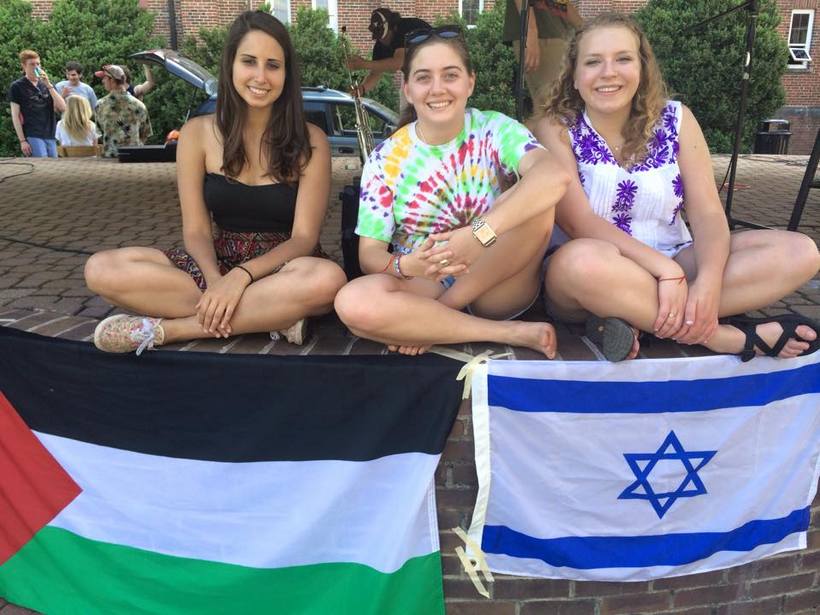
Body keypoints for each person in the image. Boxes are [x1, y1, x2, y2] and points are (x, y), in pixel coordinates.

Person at [532, 13, 820, 362]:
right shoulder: (554, 128)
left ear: (642, 68)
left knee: (801, 252)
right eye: (593, 62)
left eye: (623, 58)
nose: (608, 72)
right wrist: (666, 273)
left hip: (677, 259)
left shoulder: (677, 119)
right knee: (579, 263)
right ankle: (719, 336)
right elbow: (578, 223)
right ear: (574, 77)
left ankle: (632, 316)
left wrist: (708, 284)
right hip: (593, 273)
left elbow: (709, 215)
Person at [84, 11, 346, 354]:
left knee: (329, 281)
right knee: (101, 269)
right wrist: (216, 282)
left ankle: (173, 331)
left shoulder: (310, 140)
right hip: (216, 260)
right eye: (249, 62)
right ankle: (274, 317)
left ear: (287, 73)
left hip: (286, 267)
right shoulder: (196, 134)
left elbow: (303, 238)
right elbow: (195, 230)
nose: (261, 76)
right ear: (231, 66)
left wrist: (242, 278)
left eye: (273, 65)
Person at [334, 25, 569, 357]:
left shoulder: (495, 128)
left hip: (498, 282)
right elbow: (369, 256)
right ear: (407, 87)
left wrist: (477, 235)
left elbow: (554, 176)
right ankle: (507, 333)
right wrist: (406, 266)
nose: (437, 88)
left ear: (470, 82)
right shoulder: (386, 157)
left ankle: (437, 321)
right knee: (353, 303)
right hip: (426, 282)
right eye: (423, 77)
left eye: (450, 75)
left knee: (538, 197)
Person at [503, 0, 582, 112]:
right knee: (553, 106)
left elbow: (563, 5)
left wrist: (588, 30)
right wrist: (530, 32)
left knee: (559, 105)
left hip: (560, 34)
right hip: (543, 36)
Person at [345, 8, 429, 109]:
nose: (382, 40)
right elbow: (375, 73)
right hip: (415, 74)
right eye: (378, 36)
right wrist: (362, 89)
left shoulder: (404, 28)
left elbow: (398, 63)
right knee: (406, 112)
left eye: (384, 35)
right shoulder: (380, 45)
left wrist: (363, 64)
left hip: (435, 65)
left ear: (393, 27)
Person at [8, 49, 66, 158]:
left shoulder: (47, 84)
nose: (36, 67)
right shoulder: (17, 86)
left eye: (38, 64)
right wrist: (22, 141)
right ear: (24, 66)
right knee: (42, 166)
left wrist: (48, 85)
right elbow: (15, 115)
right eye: (32, 64)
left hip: (50, 133)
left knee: (53, 167)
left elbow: (63, 107)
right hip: (32, 133)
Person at [94, 64, 151, 158]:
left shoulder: (100, 105)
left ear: (112, 80)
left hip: (110, 157)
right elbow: (145, 134)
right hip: (135, 157)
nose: (102, 81)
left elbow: (99, 132)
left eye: (104, 78)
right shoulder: (140, 105)